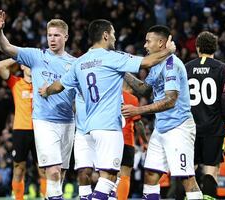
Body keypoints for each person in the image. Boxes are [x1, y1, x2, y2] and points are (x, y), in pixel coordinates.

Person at [39, 19, 175, 199]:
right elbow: (147, 62)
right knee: (110, 176)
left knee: (93, 177)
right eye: (113, 35)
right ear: (105, 35)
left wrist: (45, 91)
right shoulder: (113, 57)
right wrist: (168, 51)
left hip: (87, 127)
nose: (115, 38)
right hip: (108, 126)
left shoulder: (79, 62)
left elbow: (57, 86)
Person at [0, 10, 76, 200]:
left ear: (66, 36)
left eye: (56, 35)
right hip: (43, 122)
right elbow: (6, 48)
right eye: (49, 35)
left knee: (59, 173)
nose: (52, 39)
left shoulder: (74, 63)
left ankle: (50, 196)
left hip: (67, 122)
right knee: (52, 171)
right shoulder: (36, 56)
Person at [122, 25, 203, 200]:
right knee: (151, 174)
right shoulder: (157, 65)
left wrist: (138, 110)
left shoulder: (171, 65)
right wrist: (122, 71)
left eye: (148, 41)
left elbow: (170, 100)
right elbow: (144, 89)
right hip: (162, 128)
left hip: (179, 127)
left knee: (186, 177)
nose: (145, 45)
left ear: (160, 43)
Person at [184, 31, 225, 199]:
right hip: (214, 127)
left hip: (190, 126)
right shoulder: (223, 68)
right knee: (211, 170)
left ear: (197, 48)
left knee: (190, 170)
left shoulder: (186, 67)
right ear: (215, 48)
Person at [0, 58, 46, 199]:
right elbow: (0, 66)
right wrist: (18, 56)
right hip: (20, 130)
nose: (30, 66)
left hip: (39, 130)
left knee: (43, 170)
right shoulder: (15, 82)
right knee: (18, 169)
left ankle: (46, 197)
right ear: (22, 66)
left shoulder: (42, 84)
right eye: (27, 63)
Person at [117, 82, 147, 200]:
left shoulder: (108, 95)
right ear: (129, 86)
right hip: (126, 141)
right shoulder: (132, 99)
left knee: (108, 174)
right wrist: (144, 141)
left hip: (108, 140)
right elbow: (138, 124)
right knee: (124, 175)